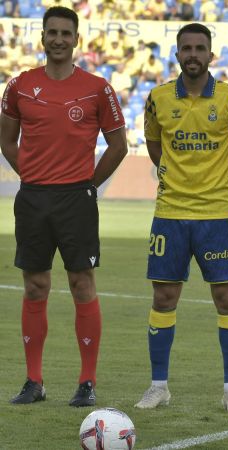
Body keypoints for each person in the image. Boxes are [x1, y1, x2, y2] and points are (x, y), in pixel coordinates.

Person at [0, 6, 127, 407]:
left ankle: (87, 381)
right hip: (34, 199)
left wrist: (89, 184)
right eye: (51, 32)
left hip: (77, 199)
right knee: (35, 286)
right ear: (42, 37)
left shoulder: (97, 88)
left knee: (81, 284)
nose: (58, 39)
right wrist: (31, 175)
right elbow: (6, 140)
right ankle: (33, 381)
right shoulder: (19, 86)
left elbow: (118, 145)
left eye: (65, 33)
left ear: (76, 39)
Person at [133, 23, 228, 413]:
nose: (192, 54)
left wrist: (220, 179)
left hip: (218, 215)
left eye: (199, 48)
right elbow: (154, 143)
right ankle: (158, 386)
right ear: (176, 54)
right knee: (164, 296)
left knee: (226, 297)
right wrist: (174, 174)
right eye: (186, 48)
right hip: (170, 214)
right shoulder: (156, 99)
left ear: (210, 55)